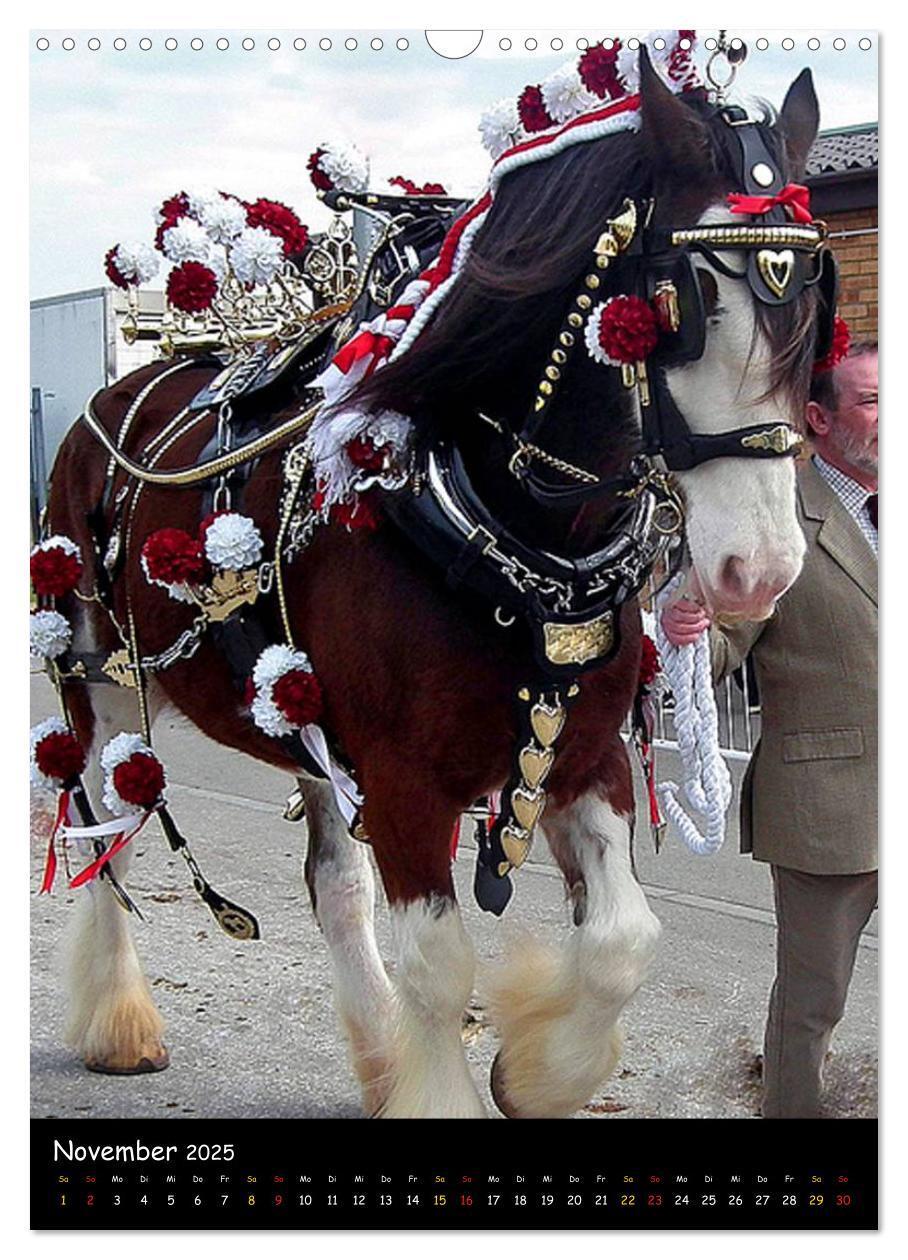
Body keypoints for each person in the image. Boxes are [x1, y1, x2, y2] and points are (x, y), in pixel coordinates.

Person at [661, 342, 878, 1119]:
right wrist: (689, 630)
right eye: (872, 402)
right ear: (819, 418)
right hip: (831, 807)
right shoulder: (777, 522)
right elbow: (725, 646)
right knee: (814, 1003)